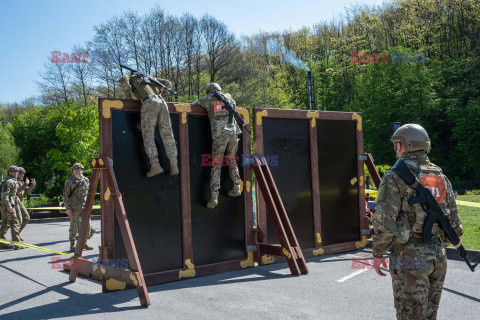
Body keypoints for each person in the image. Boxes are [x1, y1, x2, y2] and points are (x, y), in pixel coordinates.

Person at [372, 123, 463, 320]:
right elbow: (456, 227)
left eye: (397, 143)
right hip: (439, 256)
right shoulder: (440, 176)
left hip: (410, 258)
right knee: (429, 315)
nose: (396, 147)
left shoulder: (394, 177)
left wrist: (378, 252)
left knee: (410, 315)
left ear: (403, 145)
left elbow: (385, 225)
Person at [119, 72, 179, 177]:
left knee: (148, 135)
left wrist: (129, 97)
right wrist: (162, 96)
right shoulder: (150, 78)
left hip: (149, 102)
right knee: (168, 134)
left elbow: (123, 79)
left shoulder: (132, 77)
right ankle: (174, 164)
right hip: (162, 103)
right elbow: (168, 83)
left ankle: (155, 165)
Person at [194, 83, 242, 209]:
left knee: (216, 164)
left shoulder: (208, 98)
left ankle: (214, 197)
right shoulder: (229, 96)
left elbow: (194, 105)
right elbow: (235, 107)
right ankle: (237, 186)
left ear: (209, 91)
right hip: (233, 132)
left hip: (219, 135)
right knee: (232, 159)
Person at [63, 163, 95, 252]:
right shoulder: (69, 181)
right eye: (77, 170)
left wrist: (90, 204)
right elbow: (66, 196)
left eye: (81, 170)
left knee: (87, 226)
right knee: (74, 226)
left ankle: (83, 243)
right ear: (73, 171)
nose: (79, 171)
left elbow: (89, 194)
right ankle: (72, 245)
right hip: (74, 208)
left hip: (85, 207)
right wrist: (67, 208)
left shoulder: (86, 180)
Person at [0, 166, 23, 250]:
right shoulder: (8, 181)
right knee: (15, 222)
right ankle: (17, 244)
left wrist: (16, 197)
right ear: (10, 172)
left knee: (5, 223)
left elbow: (12, 193)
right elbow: (4, 195)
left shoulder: (12, 181)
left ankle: (2, 243)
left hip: (6, 204)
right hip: (7, 205)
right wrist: (8, 205)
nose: (17, 173)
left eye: (17, 171)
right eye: (15, 171)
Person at [15, 167, 36, 241]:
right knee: (17, 221)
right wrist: (25, 184)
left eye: (23, 173)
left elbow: (27, 190)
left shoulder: (21, 181)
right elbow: (17, 191)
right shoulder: (15, 181)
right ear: (17, 173)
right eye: (21, 173)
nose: (22, 175)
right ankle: (15, 237)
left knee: (26, 218)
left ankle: (17, 234)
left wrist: (32, 185)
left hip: (19, 202)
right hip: (14, 202)